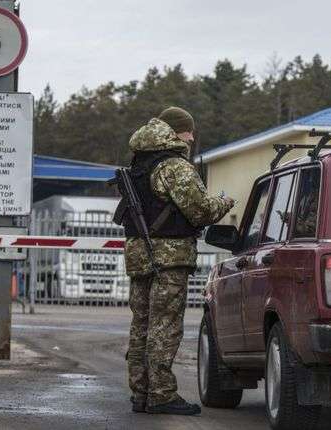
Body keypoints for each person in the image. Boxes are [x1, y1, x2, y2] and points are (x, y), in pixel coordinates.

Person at [123, 107, 234, 415]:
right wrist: (224, 201)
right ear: (175, 131)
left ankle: (141, 392)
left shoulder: (140, 163)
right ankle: (161, 395)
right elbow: (201, 211)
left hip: (140, 256)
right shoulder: (175, 166)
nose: (192, 137)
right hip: (168, 258)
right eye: (188, 131)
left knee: (141, 324)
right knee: (165, 325)